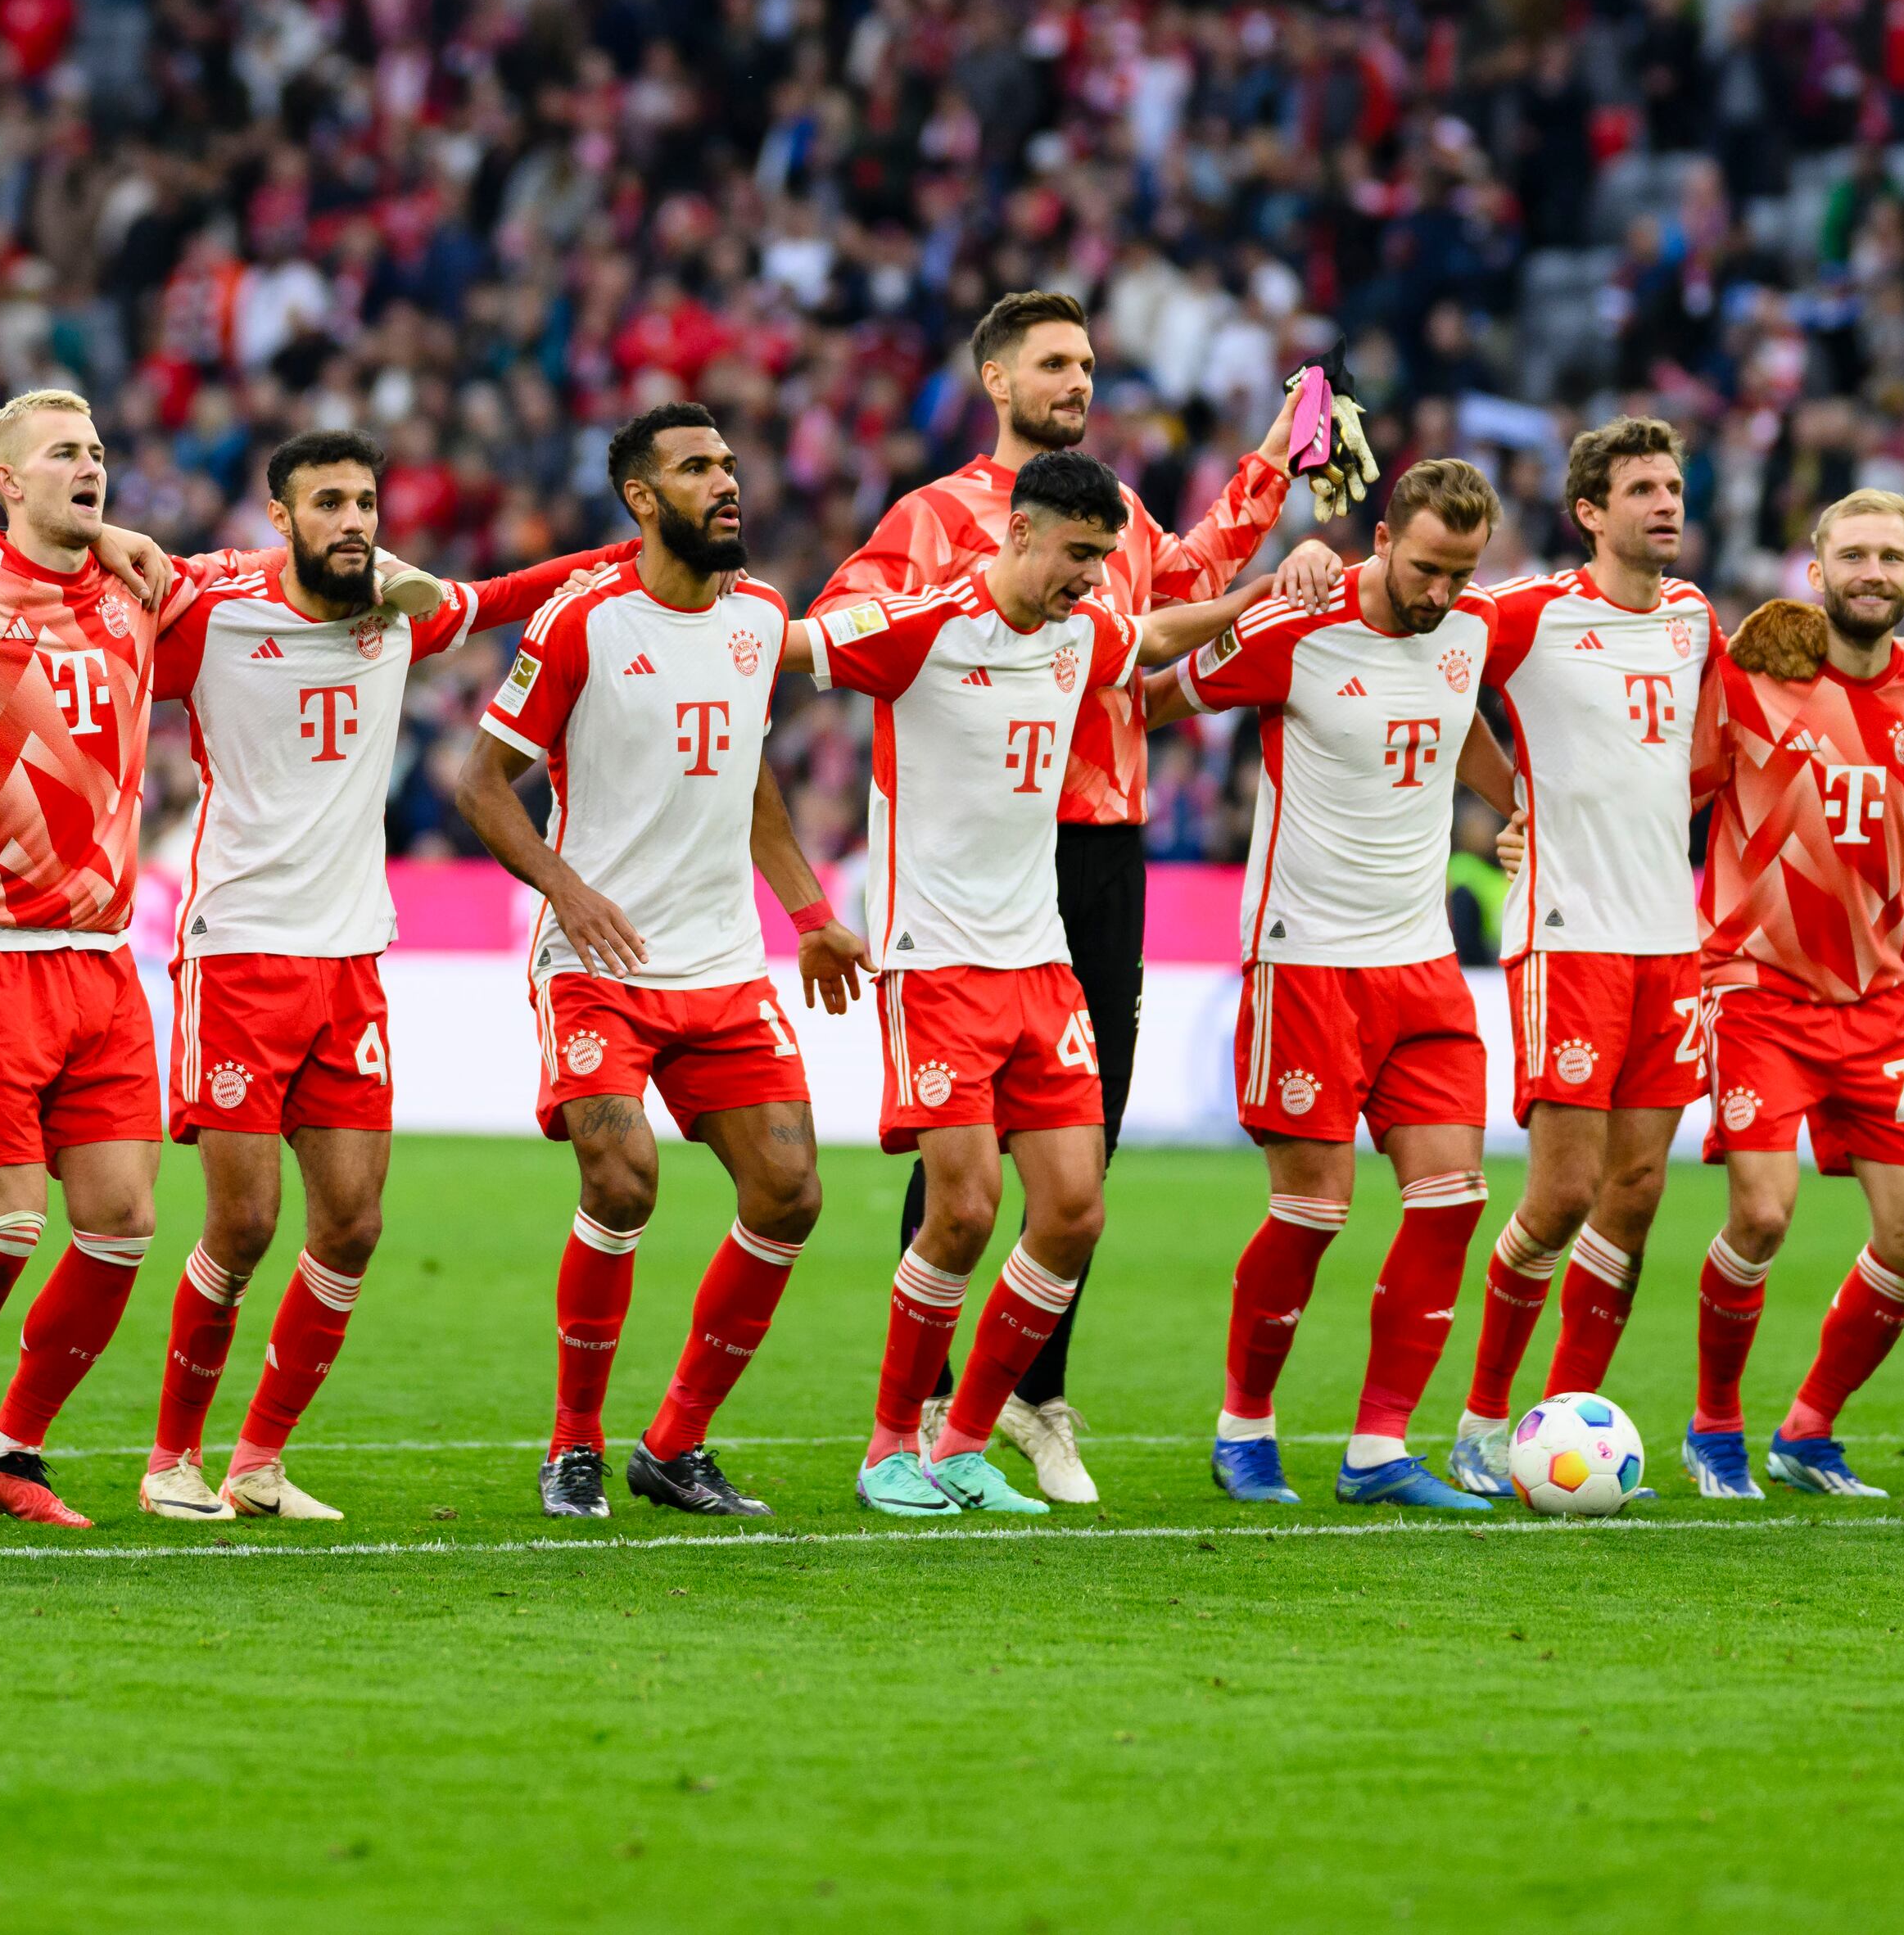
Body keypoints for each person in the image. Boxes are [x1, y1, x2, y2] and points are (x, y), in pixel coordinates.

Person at [810, 289, 1333, 1502]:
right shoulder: (933, 519)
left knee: (1076, 1152)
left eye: (1089, 362)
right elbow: (844, 628)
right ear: (996, 381)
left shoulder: (1117, 515)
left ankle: (1031, 1401)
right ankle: (928, 1412)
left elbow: (1172, 599)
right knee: (961, 1160)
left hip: (1101, 846)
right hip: (974, 854)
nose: (1078, 380)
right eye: (1054, 363)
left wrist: (1271, 465)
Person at [136, 429, 609, 1521]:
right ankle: (172, 1459)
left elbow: (492, 598)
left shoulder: (400, 613)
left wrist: (611, 563)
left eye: (365, 501)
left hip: (352, 959)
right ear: (282, 518)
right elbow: (104, 648)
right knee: (243, 1225)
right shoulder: (212, 616)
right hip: (239, 952)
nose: (353, 519)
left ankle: (257, 1462)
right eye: (329, 502)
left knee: (351, 1224)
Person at [455, 401, 868, 1522]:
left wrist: (810, 910)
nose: (727, 482)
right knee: (622, 1177)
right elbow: (480, 781)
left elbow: (751, 779)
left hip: (724, 967)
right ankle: (573, 1445)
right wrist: (567, 889)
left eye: (731, 463)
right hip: (598, 966)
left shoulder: (761, 616)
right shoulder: (580, 622)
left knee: (789, 1196)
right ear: (643, 499)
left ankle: (675, 1446)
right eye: (697, 468)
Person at [1150, 457, 1505, 1512]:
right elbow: (1157, 701)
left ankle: (1377, 1451)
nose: (1441, 593)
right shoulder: (1294, 626)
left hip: (1423, 967)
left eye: (1463, 571)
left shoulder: (1469, 630)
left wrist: (1523, 797)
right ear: (1384, 538)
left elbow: (1465, 733)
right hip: (1304, 961)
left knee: (1451, 1202)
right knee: (1312, 1212)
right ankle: (1243, 1429)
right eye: (1429, 568)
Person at [0, 389, 193, 1528]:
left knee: (121, 1225)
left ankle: (12, 1452)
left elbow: (284, 585)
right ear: (6, 479)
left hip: (105, 959)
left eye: (100, 452)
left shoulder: (138, 590)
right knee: (4, 1226)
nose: (90, 467)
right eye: (64, 453)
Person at [1653, 491, 1904, 1497]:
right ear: (1815, 569)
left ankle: (1806, 1433)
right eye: (1851, 556)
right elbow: (1670, 791)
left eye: (1888, 558)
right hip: (1752, 988)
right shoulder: (1749, 680)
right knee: (1762, 1213)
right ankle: (1713, 1430)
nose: (1870, 572)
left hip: (1874, 998)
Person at [1445, 417, 1724, 1497]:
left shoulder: (1697, 616)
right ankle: (1478, 1424)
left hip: (1669, 939)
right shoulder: (1531, 614)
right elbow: (1435, 662)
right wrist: (1512, 795)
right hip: (1569, 936)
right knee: (1560, 1193)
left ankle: (1564, 1426)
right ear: (1591, 513)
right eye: (1642, 488)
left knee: (1638, 1191)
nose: (1666, 503)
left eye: (1674, 484)